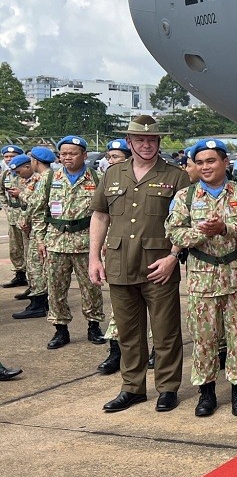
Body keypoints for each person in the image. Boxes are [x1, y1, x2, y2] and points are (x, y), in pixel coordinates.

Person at [91, 114, 191, 413]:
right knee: (128, 332)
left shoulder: (176, 176)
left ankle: (167, 388)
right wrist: (94, 257)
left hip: (157, 265)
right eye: (140, 140)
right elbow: (100, 216)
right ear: (130, 142)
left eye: (151, 139)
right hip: (120, 263)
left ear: (159, 142)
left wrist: (174, 257)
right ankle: (132, 388)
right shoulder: (112, 174)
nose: (146, 145)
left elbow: (184, 221)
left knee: (166, 332)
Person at [166, 139, 237, 417]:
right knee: (204, 337)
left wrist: (226, 228)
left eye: (211, 161)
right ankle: (206, 392)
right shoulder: (185, 197)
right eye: (200, 162)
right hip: (202, 278)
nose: (205, 167)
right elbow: (174, 233)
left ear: (225, 163)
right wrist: (204, 233)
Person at [28, 135, 105, 349]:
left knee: (91, 287)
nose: (67, 157)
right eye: (63, 154)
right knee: (55, 288)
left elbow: (105, 213)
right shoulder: (50, 177)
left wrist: (103, 242)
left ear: (84, 155)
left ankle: (94, 326)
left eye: (72, 153)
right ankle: (61, 330)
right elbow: (38, 210)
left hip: (85, 242)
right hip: (55, 242)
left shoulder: (97, 178)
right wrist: (40, 239)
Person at [96, 139, 139, 376]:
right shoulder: (110, 179)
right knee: (120, 308)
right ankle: (115, 351)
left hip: (149, 251)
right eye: (109, 156)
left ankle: (152, 352)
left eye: (116, 157)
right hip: (119, 250)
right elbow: (103, 216)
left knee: (153, 310)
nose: (110, 161)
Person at [12, 147, 56, 320]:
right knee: (35, 265)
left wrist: (26, 217)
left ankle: (38, 304)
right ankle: (40, 300)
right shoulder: (45, 177)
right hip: (38, 228)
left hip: (40, 229)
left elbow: (35, 204)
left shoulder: (45, 178)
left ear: (35, 161)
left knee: (36, 266)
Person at [1, 144, 28, 289]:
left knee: (28, 247)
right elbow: (1, 192)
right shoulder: (5, 175)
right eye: (6, 157)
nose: (9, 159)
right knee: (14, 248)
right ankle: (20, 274)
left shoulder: (28, 174)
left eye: (12, 156)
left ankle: (32, 277)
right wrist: (6, 206)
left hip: (25, 215)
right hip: (12, 216)